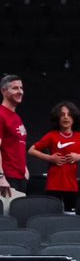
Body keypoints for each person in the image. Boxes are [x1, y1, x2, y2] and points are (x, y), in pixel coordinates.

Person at [28, 100, 80, 212]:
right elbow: (31, 150)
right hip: (53, 185)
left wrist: (79, 156)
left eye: (69, 114)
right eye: (62, 115)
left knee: (70, 214)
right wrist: (50, 158)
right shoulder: (51, 136)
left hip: (71, 186)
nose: (66, 117)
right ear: (57, 118)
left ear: (74, 118)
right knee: (52, 214)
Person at [0, 74, 27, 210]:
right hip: (7, 177)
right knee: (6, 218)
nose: (20, 91)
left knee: (18, 216)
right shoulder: (1, 114)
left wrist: (25, 169)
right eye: (15, 88)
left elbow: (17, 145)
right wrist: (0, 177)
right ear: (3, 91)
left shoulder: (16, 117)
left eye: (21, 88)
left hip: (19, 176)